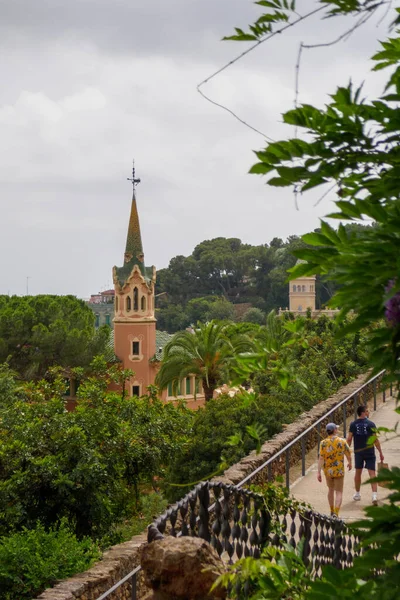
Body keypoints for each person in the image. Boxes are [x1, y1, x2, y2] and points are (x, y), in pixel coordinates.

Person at [347, 405, 384, 505]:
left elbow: (349, 439)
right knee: (372, 473)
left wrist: (346, 451)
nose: (368, 412)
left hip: (358, 452)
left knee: (358, 473)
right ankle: (374, 495)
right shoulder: (371, 424)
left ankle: (358, 494)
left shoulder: (353, 424)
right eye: (367, 411)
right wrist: (380, 452)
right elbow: (375, 440)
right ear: (363, 413)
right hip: (370, 452)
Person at [317, 422, 352, 517]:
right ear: (335, 430)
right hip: (339, 470)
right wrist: (350, 463)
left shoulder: (323, 443)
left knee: (330, 490)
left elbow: (321, 458)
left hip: (328, 471)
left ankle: (331, 510)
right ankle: (336, 513)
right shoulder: (342, 441)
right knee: (339, 492)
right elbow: (348, 453)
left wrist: (318, 472)